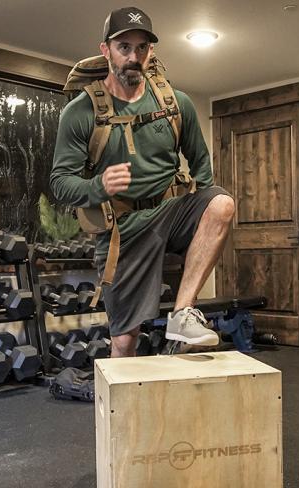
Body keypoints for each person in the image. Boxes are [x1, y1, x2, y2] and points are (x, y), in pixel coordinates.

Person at [50, 6, 234, 357]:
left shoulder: (176, 103)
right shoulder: (80, 112)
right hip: (123, 229)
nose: (133, 57)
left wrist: (200, 214)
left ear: (152, 51)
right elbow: (60, 183)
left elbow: (201, 164)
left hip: (169, 212)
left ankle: (182, 313)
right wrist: (97, 187)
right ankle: (123, 410)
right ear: (106, 50)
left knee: (221, 203)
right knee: (124, 339)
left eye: (142, 48)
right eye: (124, 47)